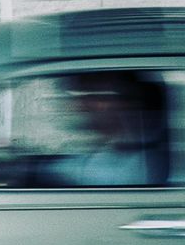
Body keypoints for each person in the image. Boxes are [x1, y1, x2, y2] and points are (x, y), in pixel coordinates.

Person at [38, 70, 169, 186]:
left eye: (94, 96)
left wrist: (43, 173)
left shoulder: (142, 154)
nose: (81, 106)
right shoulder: (115, 143)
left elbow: (97, 177)